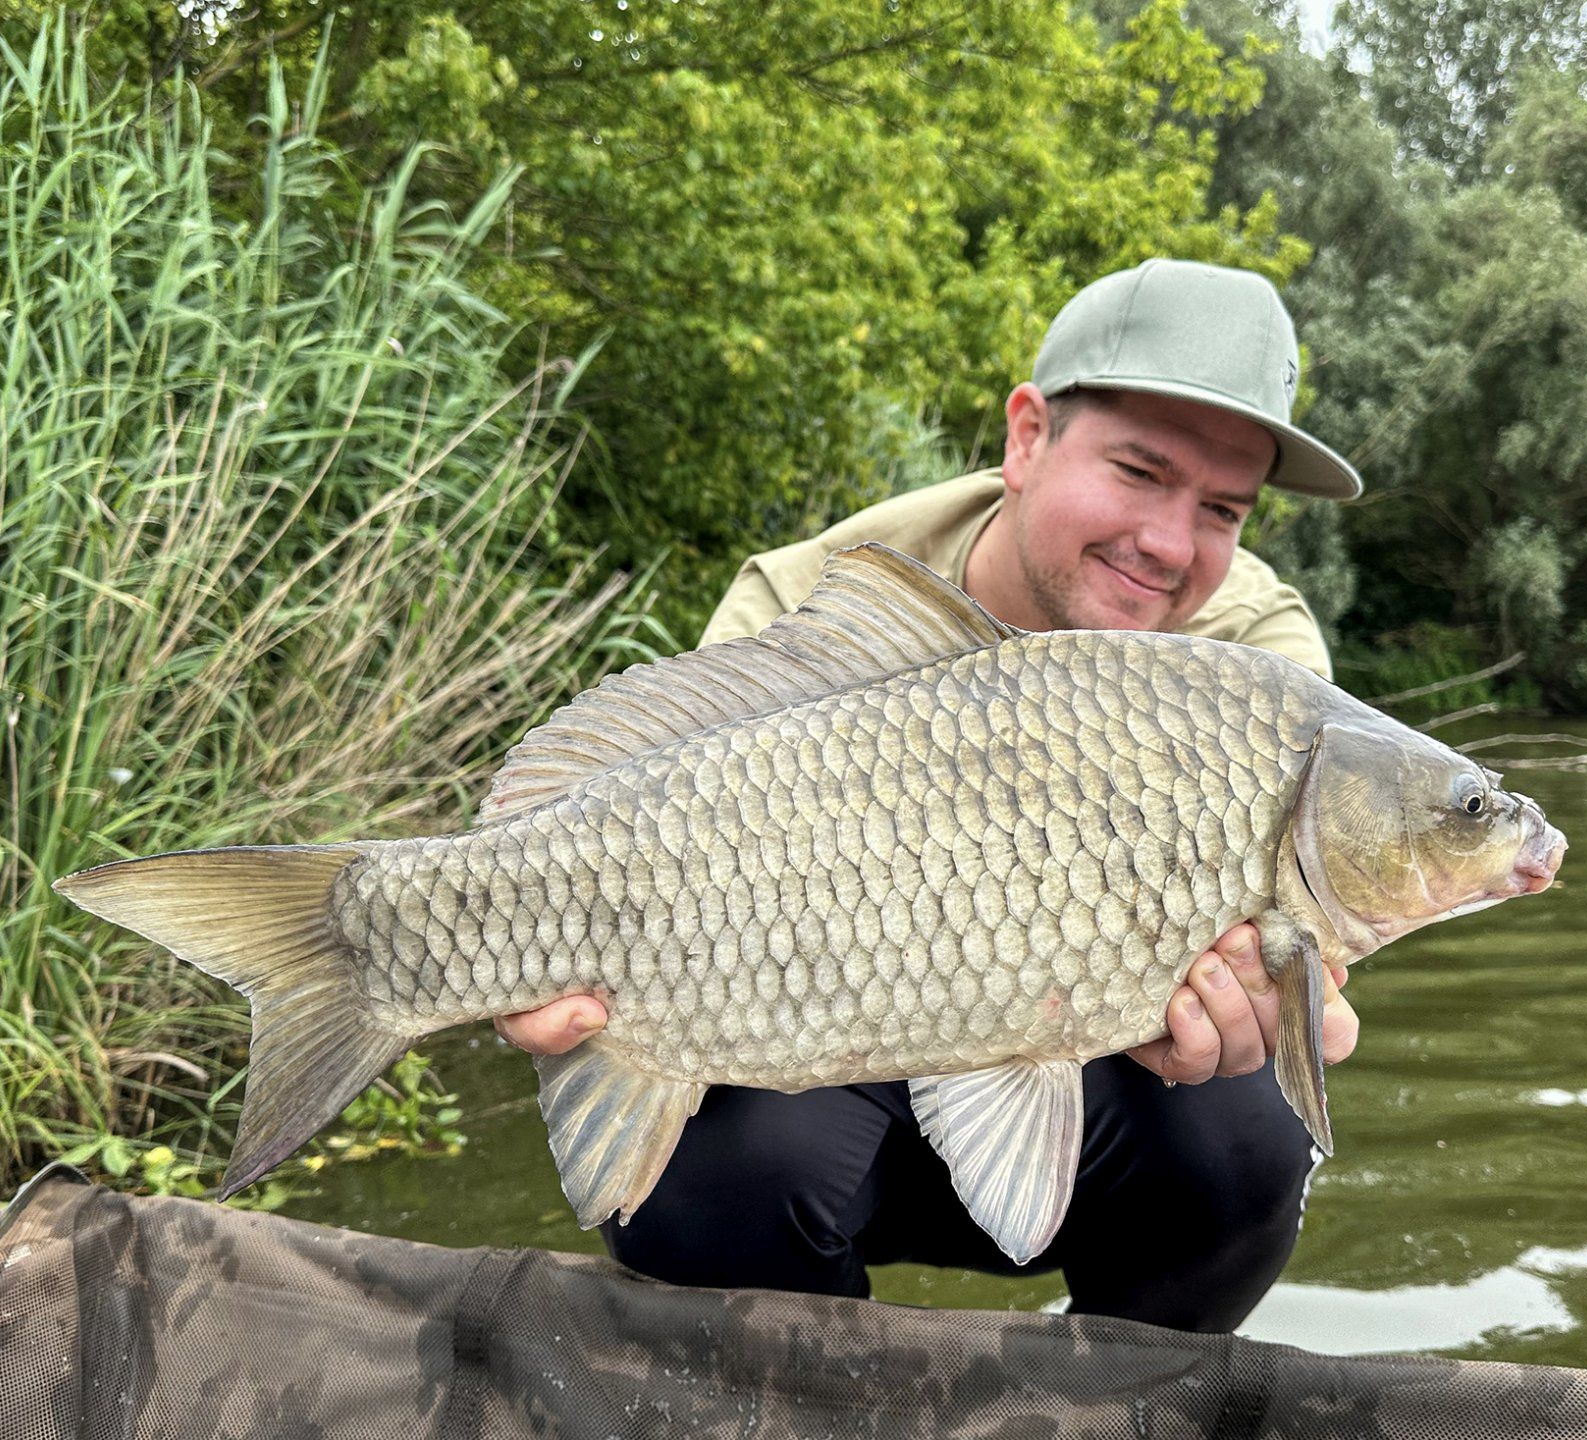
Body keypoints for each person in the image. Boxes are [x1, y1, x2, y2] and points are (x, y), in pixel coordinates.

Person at [498, 259, 1364, 1331]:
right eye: (1138, 472)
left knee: (1251, 1123)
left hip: (1093, 1090)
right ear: (1026, 437)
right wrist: (541, 955)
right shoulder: (809, 600)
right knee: (715, 1160)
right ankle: (802, 1400)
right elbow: (640, 863)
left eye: (1223, 509)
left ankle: (1115, 1407)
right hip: (810, 1063)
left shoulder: (1256, 662)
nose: (1171, 544)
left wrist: (1282, 1010)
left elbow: (1309, 978)